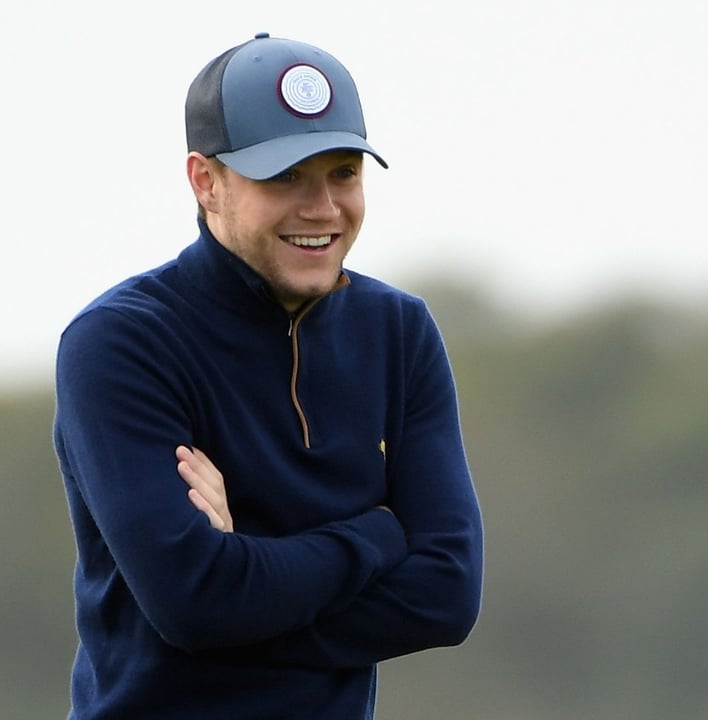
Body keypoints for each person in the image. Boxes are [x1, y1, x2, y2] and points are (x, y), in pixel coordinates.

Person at [53, 33, 483, 719]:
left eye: (343, 173)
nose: (322, 209)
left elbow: (447, 595)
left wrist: (245, 579)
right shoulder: (121, 342)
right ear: (205, 181)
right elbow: (194, 605)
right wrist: (377, 535)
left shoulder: (399, 332)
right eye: (284, 177)